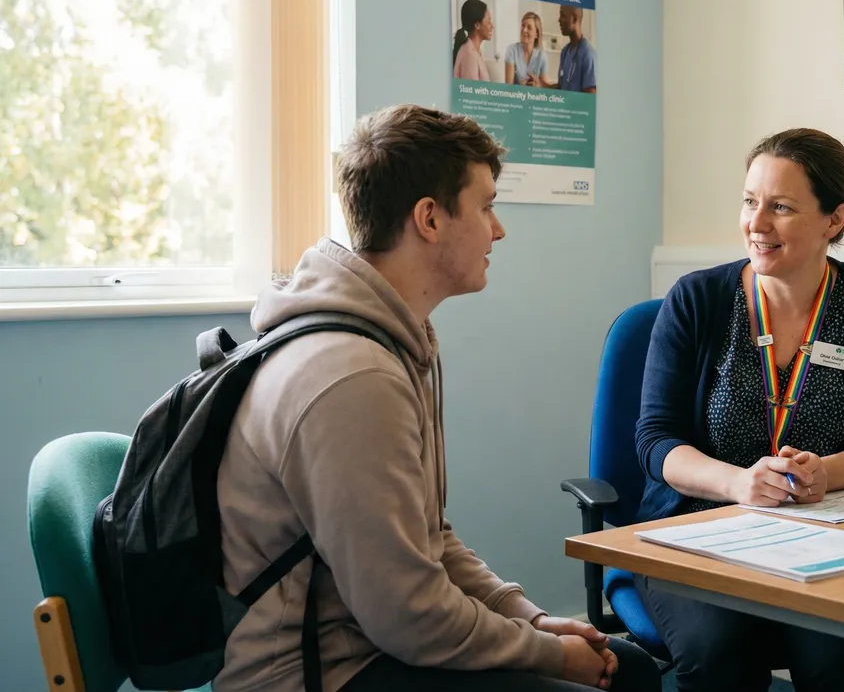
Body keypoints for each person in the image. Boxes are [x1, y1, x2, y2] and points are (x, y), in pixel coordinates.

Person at [214, 104, 661, 692]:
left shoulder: (384, 341)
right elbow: (409, 614)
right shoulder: (352, 377)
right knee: (611, 681)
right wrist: (548, 654)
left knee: (626, 669)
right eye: (485, 206)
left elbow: (429, 541)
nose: (498, 229)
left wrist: (528, 618)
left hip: (366, 644)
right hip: (318, 673)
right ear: (429, 218)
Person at [632, 128, 844, 692]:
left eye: (781, 207)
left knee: (840, 658)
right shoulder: (697, 300)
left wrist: (825, 474)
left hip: (823, 534)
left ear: (835, 220)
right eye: (749, 201)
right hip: (697, 529)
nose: (755, 223)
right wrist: (740, 483)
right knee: (720, 654)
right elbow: (655, 441)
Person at [543, 4, 596, 93]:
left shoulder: (588, 54)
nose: (559, 20)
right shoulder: (565, 51)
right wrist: (541, 86)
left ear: (574, 19)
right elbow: (560, 87)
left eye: (563, 15)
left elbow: (590, 99)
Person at [504, 11, 550, 86]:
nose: (524, 30)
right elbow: (508, 87)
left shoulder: (542, 56)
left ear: (536, 34)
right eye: (523, 26)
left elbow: (545, 89)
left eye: (529, 27)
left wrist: (538, 86)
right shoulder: (512, 50)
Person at [453, 0, 493, 81]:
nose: (492, 26)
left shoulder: (474, 52)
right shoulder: (469, 56)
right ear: (477, 25)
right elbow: (470, 93)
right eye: (489, 22)